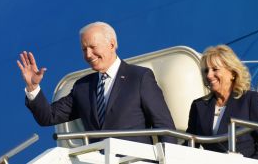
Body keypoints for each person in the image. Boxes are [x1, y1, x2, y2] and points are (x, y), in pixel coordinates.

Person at [17, 21, 176, 144]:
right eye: (84, 49)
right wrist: (33, 87)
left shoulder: (139, 77)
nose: (88, 54)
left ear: (111, 45)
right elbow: (49, 117)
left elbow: (164, 127)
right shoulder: (82, 87)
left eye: (92, 47)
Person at [186, 45, 258, 161]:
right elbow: (190, 145)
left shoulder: (250, 100)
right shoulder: (199, 106)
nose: (209, 75)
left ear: (232, 73)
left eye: (215, 69)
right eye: (206, 70)